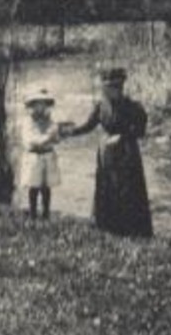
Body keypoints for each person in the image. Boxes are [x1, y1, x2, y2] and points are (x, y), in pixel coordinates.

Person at [60, 66, 152, 237]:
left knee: (128, 190)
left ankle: (132, 230)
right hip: (107, 154)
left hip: (127, 154)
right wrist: (70, 132)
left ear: (121, 87)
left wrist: (124, 136)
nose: (111, 91)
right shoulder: (100, 107)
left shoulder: (132, 107)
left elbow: (140, 131)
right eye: (108, 88)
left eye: (115, 87)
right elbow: (88, 126)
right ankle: (108, 226)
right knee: (107, 187)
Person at [18, 88, 63, 220]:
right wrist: (47, 137)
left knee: (46, 186)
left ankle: (46, 213)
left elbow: (57, 139)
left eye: (43, 104)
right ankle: (32, 213)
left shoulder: (50, 121)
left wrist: (57, 135)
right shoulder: (28, 122)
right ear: (32, 105)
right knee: (34, 186)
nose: (41, 107)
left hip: (47, 156)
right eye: (38, 104)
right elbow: (29, 141)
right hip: (34, 157)